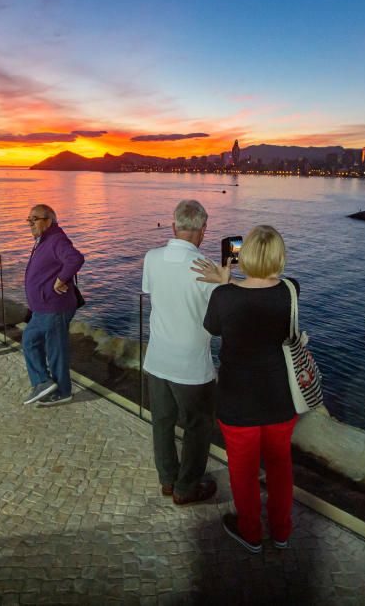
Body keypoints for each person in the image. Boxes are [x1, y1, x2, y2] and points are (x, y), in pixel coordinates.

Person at [197, 225, 299, 553]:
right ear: (279, 256)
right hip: (280, 398)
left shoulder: (225, 296)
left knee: (243, 470)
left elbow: (212, 327)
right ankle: (282, 531)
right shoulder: (291, 290)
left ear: (245, 256)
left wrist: (227, 281)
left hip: (237, 400)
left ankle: (251, 532)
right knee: (281, 467)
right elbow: (272, 290)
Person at [142, 200, 218, 505]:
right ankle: (187, 488)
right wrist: (225, 283)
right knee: (197, 427)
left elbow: (152, 292)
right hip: (191, 364)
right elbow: (220, 316)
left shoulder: (151, 257)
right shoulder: (207, 268)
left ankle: (168, 479)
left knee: (161, 421)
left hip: (158, 356)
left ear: (174, 227)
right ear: (203, 230)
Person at [22, 204, 85, 407]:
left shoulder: (56, 239)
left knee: (55, 350)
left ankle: (62, 391)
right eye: (28, 219)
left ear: (49, 221)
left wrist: (61, 279)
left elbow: (75, 258)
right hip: (43, 307)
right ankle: (43, 382)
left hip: (54, 307)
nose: (30, 223)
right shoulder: (43, 239)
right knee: (30, 340)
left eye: (35, 219)